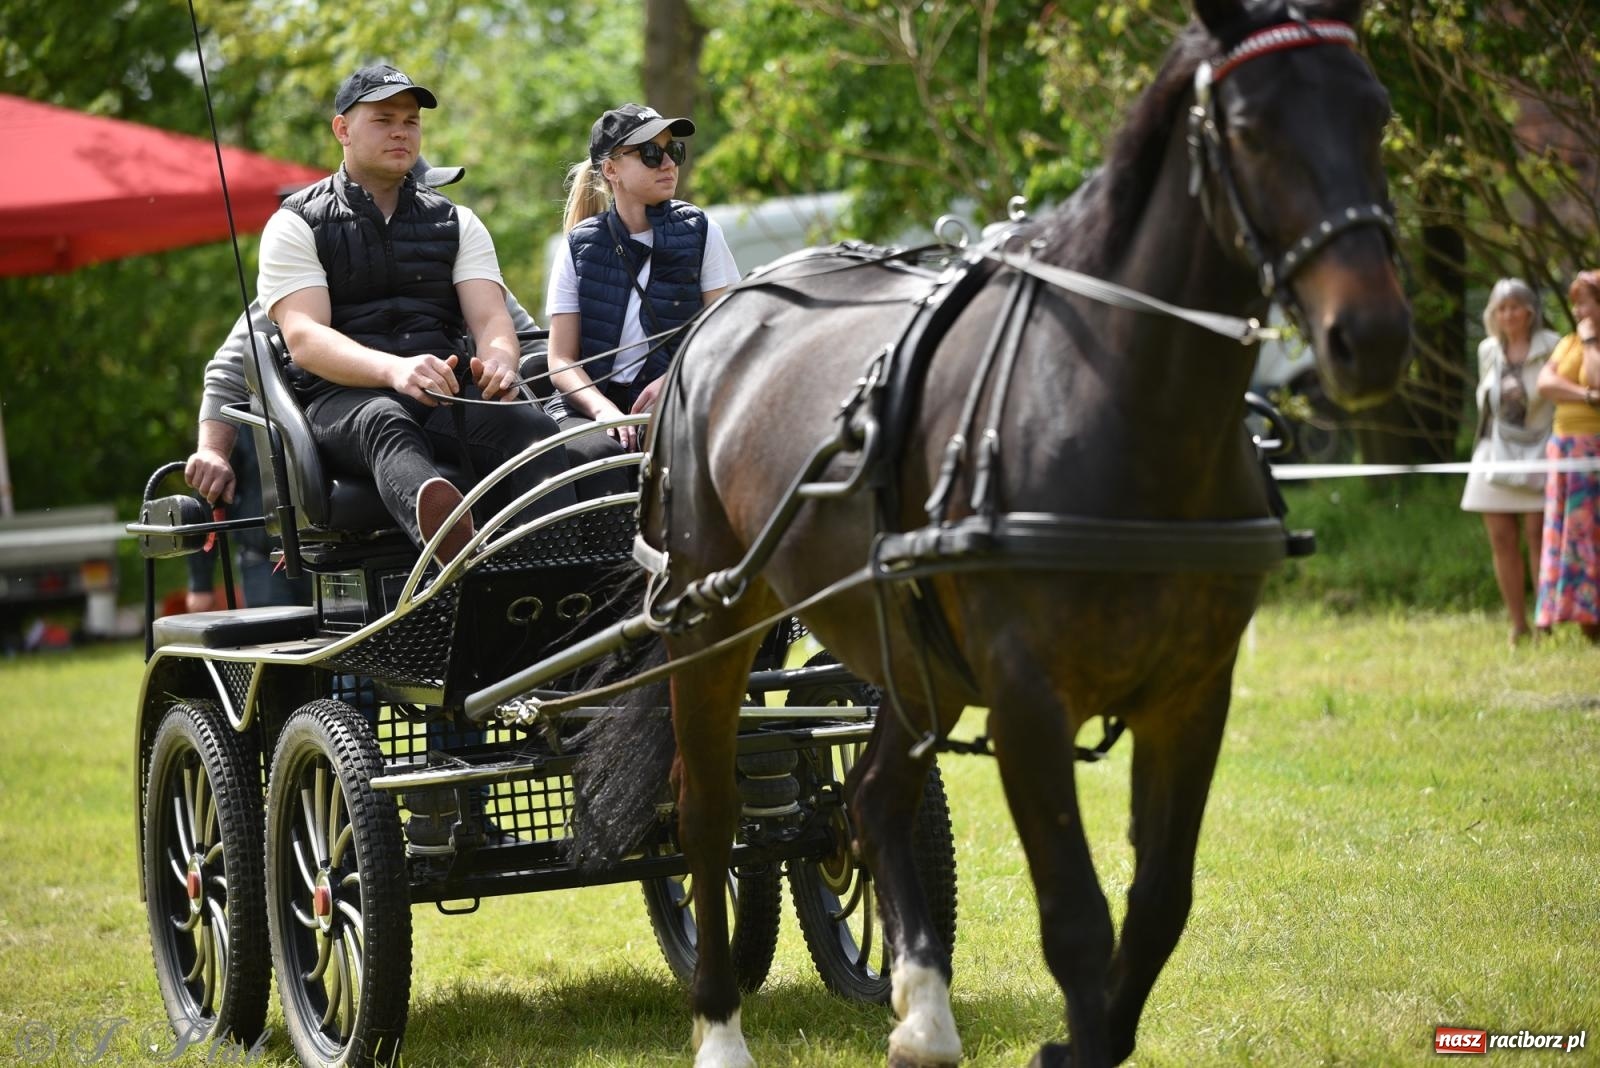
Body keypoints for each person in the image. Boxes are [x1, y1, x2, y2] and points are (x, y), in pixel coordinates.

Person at [257, 64, 572, 566]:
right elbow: (305, 337)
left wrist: (499, 362)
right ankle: (452, 547)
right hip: (344, 402)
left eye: (411, 120)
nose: (402, 130)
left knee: (529, 428)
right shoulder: (295, 223)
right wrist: (394, 370)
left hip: (443, 391)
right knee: (385, 419)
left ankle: (558, 573)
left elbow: (491, 320)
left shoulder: (457, 221)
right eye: (384, 119)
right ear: (343, 130)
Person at [545, 103, 740, 451]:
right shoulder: (576, 246)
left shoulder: (703, 231)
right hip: (592, 405)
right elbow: (561, 360)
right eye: (651, 153)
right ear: (611, 170)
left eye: (673, 150)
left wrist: (675, 379)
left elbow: (724, 336)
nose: (668, 163)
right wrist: (603, 410)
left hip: (681, 395)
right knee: (595, 455)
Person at [1460, 278, 1559, 646]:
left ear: (1530, 311)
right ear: (1493, 315)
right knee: (1502, 539)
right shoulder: (1488, 350)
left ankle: (1544, 623)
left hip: (1541, 452)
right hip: (1496, 452)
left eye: (1515, 306)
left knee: (1538, 536)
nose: (1508, 314)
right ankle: (1518, 625)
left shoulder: (1553, 346)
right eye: (1501, 308)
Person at [1534, 268, 1600, 640]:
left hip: (1594, 451)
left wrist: (1591, 342)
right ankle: (1567, 611)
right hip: (1564, 448)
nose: (1577, 311)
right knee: (1565, 534)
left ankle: (1593, 617)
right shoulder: (1567, 342)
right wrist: (1587, 397)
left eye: (1584, 303)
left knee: (1590, 535)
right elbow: (1546, 383)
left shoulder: (1587, 343)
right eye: (1574, 304)